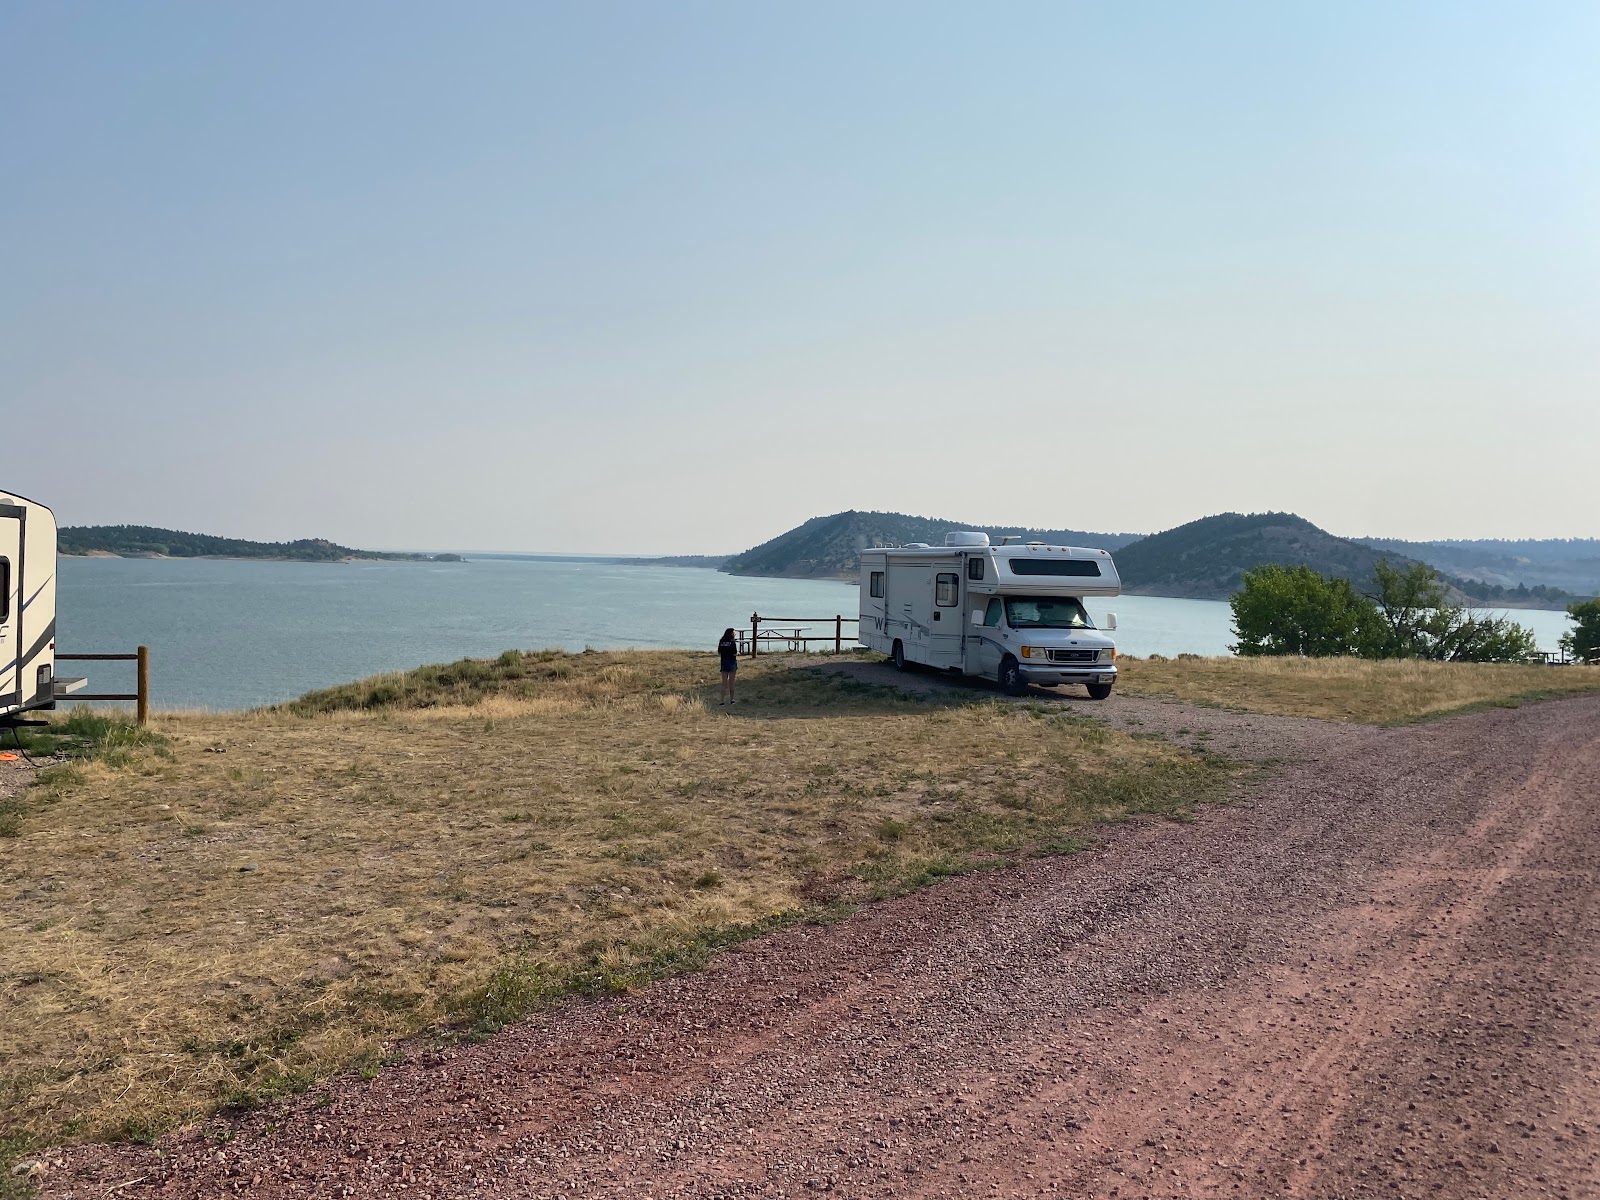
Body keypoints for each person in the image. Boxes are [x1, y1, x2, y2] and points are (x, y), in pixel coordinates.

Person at [717, 627, 739, 704]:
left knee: (724, 683)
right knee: (731, 683)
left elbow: (719, 652)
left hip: (723, 662)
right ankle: (732, 699)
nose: (735, 634)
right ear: (731, 634)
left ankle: (722, 700)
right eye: (734, 633)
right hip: (732, 662)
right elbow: (734, 653)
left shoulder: (721, 641)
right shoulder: (732, 642)